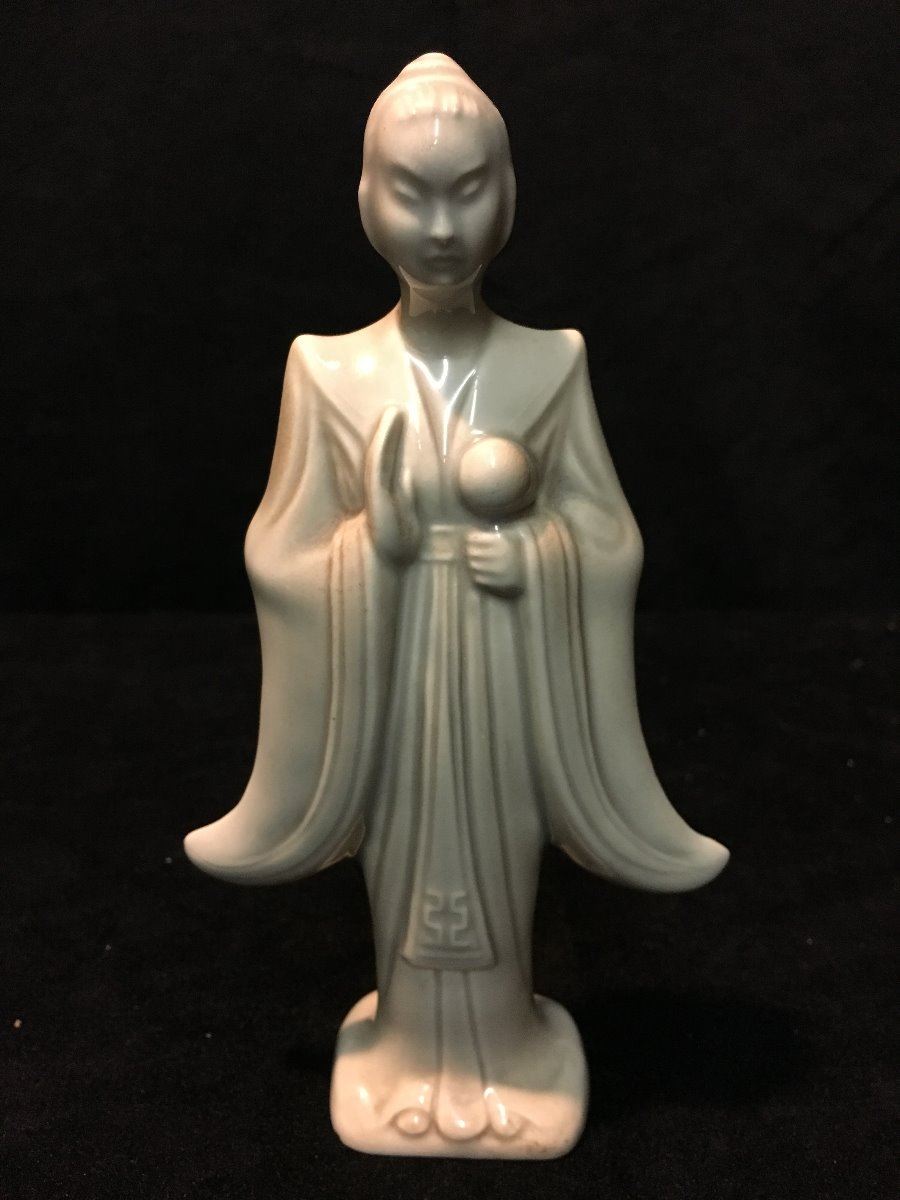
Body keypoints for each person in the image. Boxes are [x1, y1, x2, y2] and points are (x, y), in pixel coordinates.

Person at [184, 52, 729, 1159]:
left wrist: (535, 557)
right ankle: (407, 1054)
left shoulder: (550, 366)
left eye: (468, 191)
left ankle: (510, 1051)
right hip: (387, 683)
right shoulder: (326, 372)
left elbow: (608, 537)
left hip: (508, 679)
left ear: (509, 197)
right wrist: (370, 551)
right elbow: (280, 551)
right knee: (403, 864)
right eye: (411, 192)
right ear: (365, 202)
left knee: (503, 858)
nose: (441, 227)